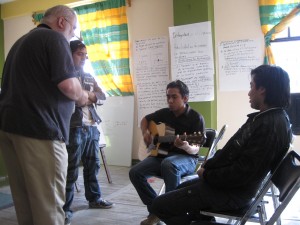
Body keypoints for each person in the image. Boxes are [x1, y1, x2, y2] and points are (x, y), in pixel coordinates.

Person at [150, 65, 293, 225]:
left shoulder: (269, 126)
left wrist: (207, 174)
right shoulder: (268, 119)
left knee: (158, 206)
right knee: (178, 191)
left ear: (263, 89)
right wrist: (210, 167)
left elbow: (241, 173)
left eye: (251, 86)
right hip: (230, 187)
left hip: (233, 193)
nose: (249, 92)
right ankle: (202, 220)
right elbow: (233, 154)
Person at [0, 5, 89, 225]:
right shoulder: (54, 39)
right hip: (40, 131)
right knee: (48, 208)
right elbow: (69, 87)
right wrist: (85, 96)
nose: (72, 35)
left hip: (10, 129)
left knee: (26, 204)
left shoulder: (20, 43)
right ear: (62, 22)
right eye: (73, 29)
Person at [129, 80, 206, 225]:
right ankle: (157, 211)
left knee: (168, 165)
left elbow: (196, 148)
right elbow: (145, 119)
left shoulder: (196, 118)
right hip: (162, 154)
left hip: (187, 158)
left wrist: (185, 146)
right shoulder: (165, 113)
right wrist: (145, 132)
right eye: (168, 97)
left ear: (185, 98)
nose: (170, 101)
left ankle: (172, 217)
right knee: (135, 172)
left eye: (174, 97)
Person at [63, 40, 113, 225]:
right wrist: (82, 97)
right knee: (71, 169)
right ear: (69, 54)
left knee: (94, 166)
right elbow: (70, 99)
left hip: (92, 127)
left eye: (86, 55)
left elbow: (102, 96)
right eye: (79, 54)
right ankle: (65, 209)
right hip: (74, 128)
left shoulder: (89, 76)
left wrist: (88, 96)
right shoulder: (65, 76)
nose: (84, 58)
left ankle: (94, 198)